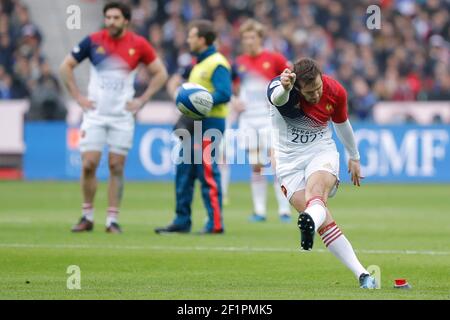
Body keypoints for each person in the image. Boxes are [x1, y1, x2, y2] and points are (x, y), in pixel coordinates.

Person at [267, 58, 377, 288]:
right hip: (287, 163)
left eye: (318, 88)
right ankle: (363, 275)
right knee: (322, 218)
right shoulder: (280, 88)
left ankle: (308, 219)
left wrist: (354, 156)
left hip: (320, 150)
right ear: (297, 87)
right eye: (309, 93)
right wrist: (286, 88)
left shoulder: (334, 90)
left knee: (315, 195)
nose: (316, 95)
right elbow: (277, 98)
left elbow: (342, 123)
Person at [59, 1, 168, 233]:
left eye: (116, 18)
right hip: (95, 114)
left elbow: (160, 73)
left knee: (116, 166)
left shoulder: (138, 44)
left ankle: (112, 220)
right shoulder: (93, 40)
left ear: (126, 20)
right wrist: (78, 97)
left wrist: (142, 99)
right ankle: (87, 216)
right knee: (89, 164)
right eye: (108, 17)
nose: (111, 22)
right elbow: (65, 66)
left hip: (122, 117)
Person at [155, 19, 232, 234]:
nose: (187, 39)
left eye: (191, 36)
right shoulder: (198, 64)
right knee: (184, 170)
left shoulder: (218, 63)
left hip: (211, 123)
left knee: (206, 170)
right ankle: (182, 220)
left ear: (201, 39)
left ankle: (215, 223)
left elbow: (225, 93)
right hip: (193, 124)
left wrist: (200, 101)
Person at [231, 19, 292, 223]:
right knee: (255, 165)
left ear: (260, 38)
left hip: (269, 119)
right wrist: (235, 101)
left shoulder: (274, 59)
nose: (248, 41)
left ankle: (284, 210)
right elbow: (234, 88)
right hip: (248, 119)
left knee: (275, 164)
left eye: (252, 37)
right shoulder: (239, 62)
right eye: (245, 38)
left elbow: (290, 77)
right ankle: (259, 211)